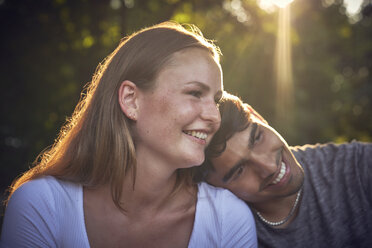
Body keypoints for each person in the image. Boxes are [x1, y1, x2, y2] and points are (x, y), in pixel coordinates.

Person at [0, 23, 257, 248]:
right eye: (194, 93)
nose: (215, 117)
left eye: (216, 100)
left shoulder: (227, 219)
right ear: (131, 100)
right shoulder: (43, 206)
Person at [194, 92, 372, 248]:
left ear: (258, 116)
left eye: (257, 138)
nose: (269, 167)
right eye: (239, 170)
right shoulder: (220, 232)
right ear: (210, 185)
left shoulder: (357, 166)